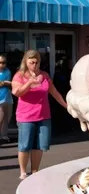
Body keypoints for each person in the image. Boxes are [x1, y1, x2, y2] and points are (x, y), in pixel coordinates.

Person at [12, 50, 68, 180]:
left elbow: (54, 92)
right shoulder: (19, 75)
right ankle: (23, 172)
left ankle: (35, 170)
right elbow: (17, 92)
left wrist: (66, 105)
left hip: (43, 115)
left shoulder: (44, 75)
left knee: (40, 145)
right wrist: (29, 83)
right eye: (32, 62)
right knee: (25, 145)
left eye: (37, 62)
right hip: (26, 116)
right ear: (26, 62)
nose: (35, 65)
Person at [0, 55, 13, 143]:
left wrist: (4, 83)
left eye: (3, 62)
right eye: (0, 62)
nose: (2, 64)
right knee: (0, 117)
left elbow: (10, 83)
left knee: (6, 118)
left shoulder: (7, 72)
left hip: (6, 97)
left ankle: (3, 135)